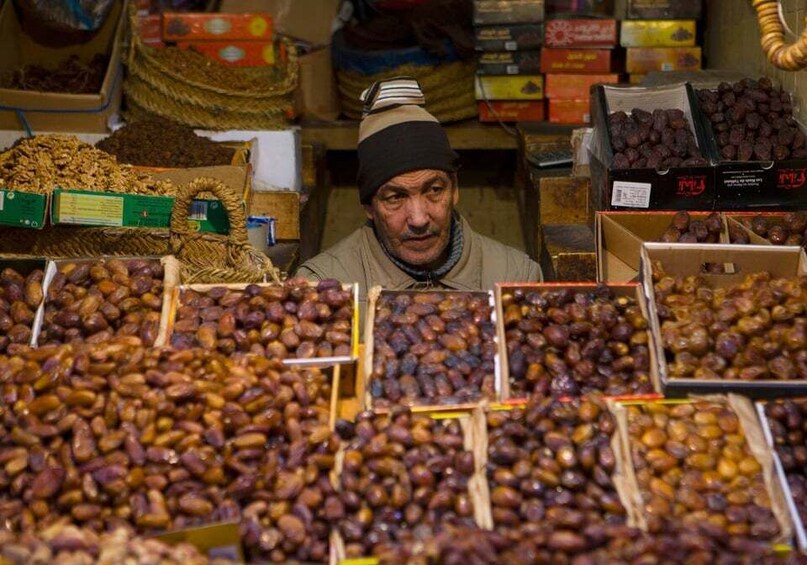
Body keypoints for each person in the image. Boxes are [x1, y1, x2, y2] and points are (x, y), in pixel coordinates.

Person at [296, 76, 541, 317]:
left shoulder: (516, 279)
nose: (418, 219)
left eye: (434, 190)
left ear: (454, 189)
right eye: (395, 197)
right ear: (369, 207)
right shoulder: (323, 290)